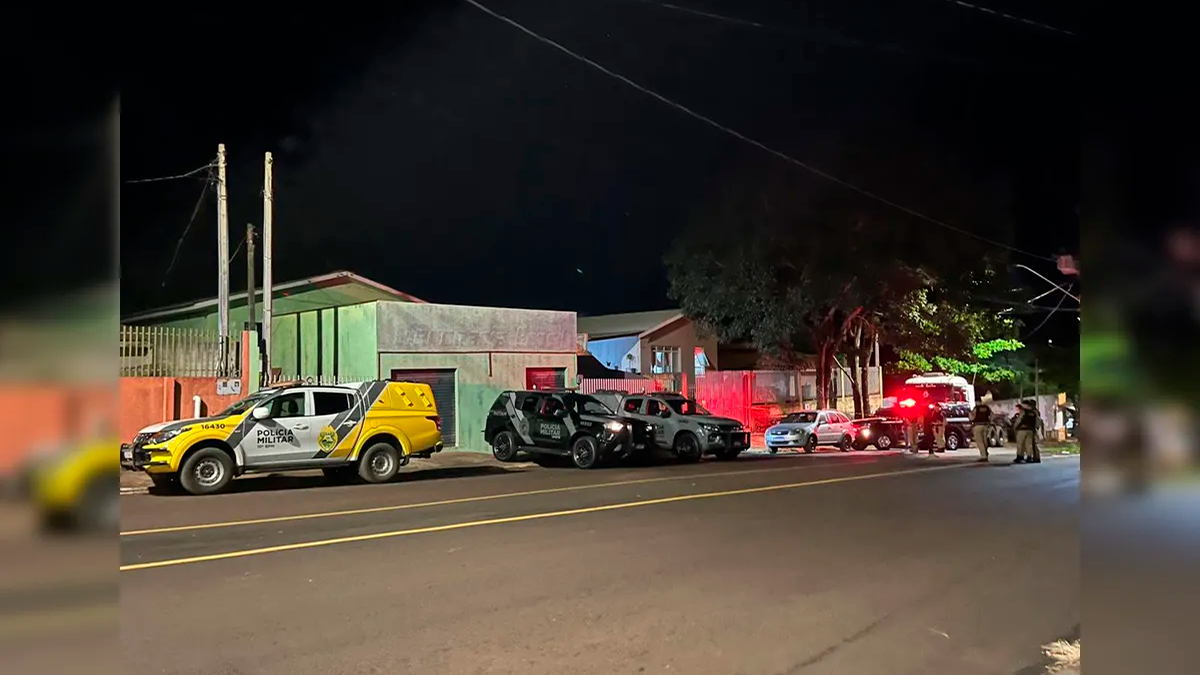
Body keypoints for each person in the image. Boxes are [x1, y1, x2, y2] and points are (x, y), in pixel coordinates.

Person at [971, 395, 993, 462]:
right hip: (985, 425)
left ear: (977, 401)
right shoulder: (987, 408)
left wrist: (970, 415)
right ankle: (986, 453)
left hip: (978, 425)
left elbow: (972, 417)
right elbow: (992, 416)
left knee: (979, 441)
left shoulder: (976, 408)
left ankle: (983, 456)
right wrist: (989, 422)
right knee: (984, 440)